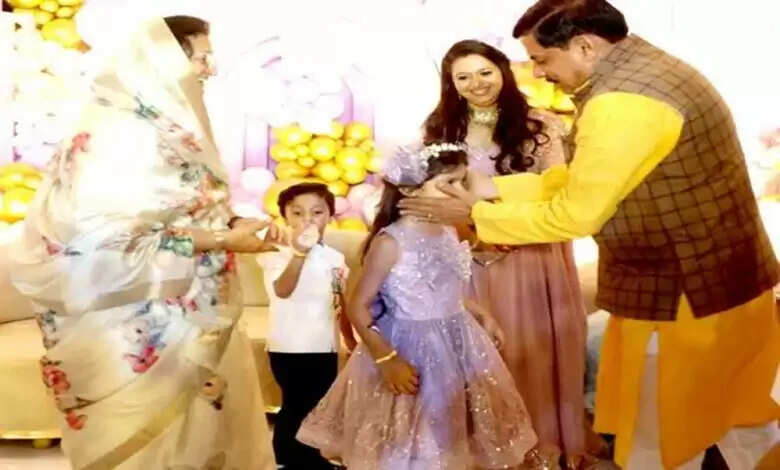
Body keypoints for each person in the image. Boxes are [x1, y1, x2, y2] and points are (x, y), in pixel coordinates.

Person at [398, 1, 780, 469]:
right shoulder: (645, 72)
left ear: (584, 46)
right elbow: (585, 178)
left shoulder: (622, 104)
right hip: (717, 285)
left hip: (684, 295)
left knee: (662, 437)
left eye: (541, 59)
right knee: (740, 426)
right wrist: (493, 189)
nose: (538, 73)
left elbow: (577, 214)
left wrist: (475, 214)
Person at [9, 17, 277, 470]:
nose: (209, 70)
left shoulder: (170, 125)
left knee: (199, 428)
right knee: (146, 442)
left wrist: (231, 222)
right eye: (201, 58)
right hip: (129, 312)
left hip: (187, 305)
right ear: (164, 62)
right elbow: (103, 235)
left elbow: (188, 203)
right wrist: (221, 238)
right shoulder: (121, 132)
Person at [296, 143, 537, 469]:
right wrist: (386, 358)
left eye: (462, 182)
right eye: (447, 183)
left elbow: (442, 290)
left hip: (457, 340)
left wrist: (483, 315)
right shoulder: (392, 242)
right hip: (410, 348)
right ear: (409, 190)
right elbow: (358, 306)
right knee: (411, 436)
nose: (459, 192)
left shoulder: (450, 231)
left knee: (448, 430)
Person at [423, 39, 590, 470]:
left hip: (532, 251)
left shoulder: (540, 123)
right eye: (463, 77)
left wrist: (500, 214)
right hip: (468, 252)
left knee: (531, 348)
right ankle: (487, 448)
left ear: (503, 71)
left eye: (485, 72)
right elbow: (429, 190)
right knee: (481, 353)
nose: (476, 84)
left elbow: (559, 188)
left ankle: (541, 446)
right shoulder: (439, 129)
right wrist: (471, 229)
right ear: (451, 83)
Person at [257, 182, 357, 470]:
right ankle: (286, 461)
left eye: (317, 212)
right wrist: (299, 253)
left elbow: (340, 301)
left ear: (330, 216)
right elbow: (282, 290)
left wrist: (349, 339)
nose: (308, 220)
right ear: (285, 217)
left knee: (317, 405)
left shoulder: (335, 258)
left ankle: (310, 460)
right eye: (298, 213)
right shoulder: (275, 251)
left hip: (325, 344)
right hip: (289, 345)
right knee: (296, 404)